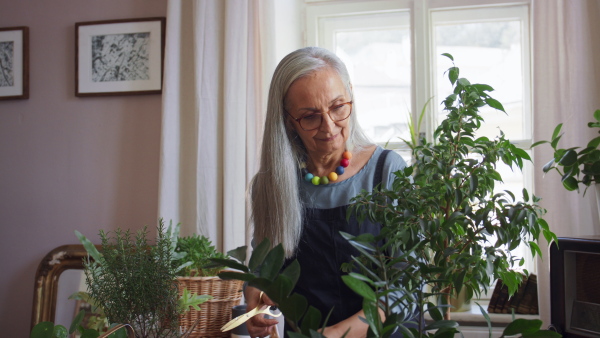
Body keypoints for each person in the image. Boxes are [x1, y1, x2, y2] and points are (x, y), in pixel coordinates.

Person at [245, 46, 408, 338]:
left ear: (351, 97)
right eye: (310, 116)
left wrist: (335, 334)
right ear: (287, 120)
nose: (329, 127)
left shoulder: (386, 171)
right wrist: (255, 306)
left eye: (337, 107)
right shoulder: (270, 186)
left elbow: (405, 284)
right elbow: (261, 271)